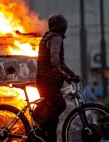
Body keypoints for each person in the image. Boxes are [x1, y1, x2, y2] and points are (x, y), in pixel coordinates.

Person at [32, 14, 80, 142]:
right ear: (62, 26)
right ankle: (38, 129)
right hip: (46, 81)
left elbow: (61, 63)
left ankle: (45, 133)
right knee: (60, 104)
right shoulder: (56, 38)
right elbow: (54, 59)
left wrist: (71, 74)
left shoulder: (50, 36)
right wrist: (60, 72)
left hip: (44, 80)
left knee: (53, 121)